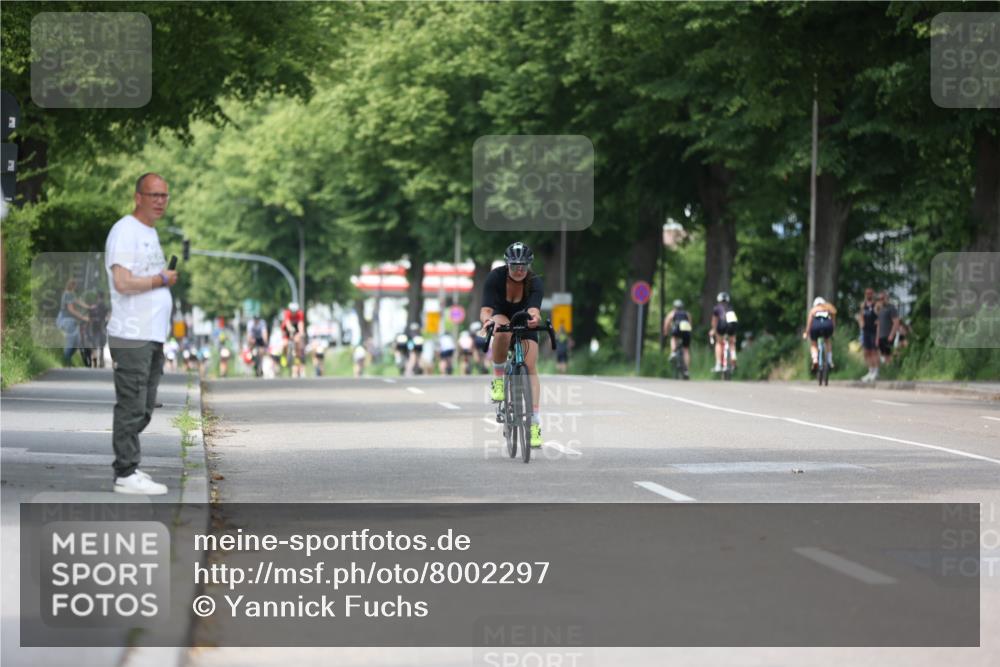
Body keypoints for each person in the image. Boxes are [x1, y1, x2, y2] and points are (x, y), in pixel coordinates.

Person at [104, 172, 177, 495]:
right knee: (132, 405)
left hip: (151, 334)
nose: (160, 201)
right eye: (154, 195)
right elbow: (122, 282)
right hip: (131, 333)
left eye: (164, 195)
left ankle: (130, 466)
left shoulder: (149, 233)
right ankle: (125, 472)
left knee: (145, 406)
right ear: (138, 197)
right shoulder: (126, 231)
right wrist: (161, 281)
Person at [480, 242, 545, 448]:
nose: (519, 270)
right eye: (515, 265)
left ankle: (534, 422)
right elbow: (486, 310)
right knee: (502, 330)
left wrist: (534, 319)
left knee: (531, 366)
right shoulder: (495, 277)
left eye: (523, 266)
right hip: (500, 316)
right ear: (507, 264)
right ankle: (499, 378)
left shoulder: (535, 282)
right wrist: (488, 321)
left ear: (529, 266)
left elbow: (534, 309)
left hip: (523, 319)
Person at [56, 278, 89, 367]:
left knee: (77, 342)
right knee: (71, 343)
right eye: (76, 285)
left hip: (70, 321)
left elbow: (78, 301)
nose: (76, 287)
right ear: (73, 285)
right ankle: (65, 361)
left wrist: (89, 307)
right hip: (66, 320)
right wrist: (83, 317)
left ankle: (67, 360)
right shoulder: (68, 294)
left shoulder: (71, 294)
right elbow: (71, 310)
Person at [803, 296, 837, 372]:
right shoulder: (829, 308)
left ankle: (815, 359)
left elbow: (809, 323)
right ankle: (829, 360)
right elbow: (833, 321)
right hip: (827, 325)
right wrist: (833, 331)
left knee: (813, 343)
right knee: (827, 341)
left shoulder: (814, 309)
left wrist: (806, 333)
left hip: (816, 326)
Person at [662, 299, 692, 379]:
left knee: (673, 338)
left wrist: (665, 332)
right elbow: (690, 323)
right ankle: (686, 370)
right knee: (686, 350)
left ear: (674, 307)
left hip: (677, 329)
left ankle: (673, 352)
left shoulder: (673, 313)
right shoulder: (687, 313)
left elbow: (667, 323)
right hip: (686, 330)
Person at [710, 292, 738, 373]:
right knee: (732, 343)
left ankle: (718, 364)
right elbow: (735, 321)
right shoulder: (731, 307)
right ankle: (733, 358)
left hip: (722, 325)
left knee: (719, 343)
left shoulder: (717, 308)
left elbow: (714, 321)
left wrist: (713, 330)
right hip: (732, 326)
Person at [857, 287, 879, 382]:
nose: (868, 295)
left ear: (872, 294)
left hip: (874, 331)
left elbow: (879, 319)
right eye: (867, 293)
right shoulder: (863, 305)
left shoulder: (876, 305)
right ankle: (870, 370)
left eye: (870, 293)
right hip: (865, 331)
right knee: (866, 352)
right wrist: (861, 324)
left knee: (874, 351)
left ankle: (876, 371)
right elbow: (861, 316)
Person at [281, 302, 306, 378]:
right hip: (286, 330)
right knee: (285, 344)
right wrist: (290, 330)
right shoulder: (287, 313)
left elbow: (300, 324)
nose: (294, 313)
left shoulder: (300, 314)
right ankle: (284, 356)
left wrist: (301, 333)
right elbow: (288, 323)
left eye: (295, 311)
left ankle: (297, 361)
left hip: (296, 330)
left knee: (298, 342)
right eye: (292, 311)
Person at [876, 291, 901, 366]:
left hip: (888, 335)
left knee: (889, 354)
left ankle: (891, 369)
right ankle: (887, 370)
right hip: (881, 336)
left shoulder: (891, 308)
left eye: (882, 298)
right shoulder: (880, 309)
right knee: (883, 355)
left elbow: (896, 322)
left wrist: (892, 334)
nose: (881, 300)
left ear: (887, 298)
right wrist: (877, 337)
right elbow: (879, 324)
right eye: (879, 299)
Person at [86, 292, 109, 368]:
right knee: (101, 344)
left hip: (94, 326)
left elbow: (89, 317)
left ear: (97, 297)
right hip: (102, 326)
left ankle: (95, 361)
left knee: (94, 344)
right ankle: (100, 360)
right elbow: (107, 317)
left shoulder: (93, 307)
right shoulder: (105, 306)